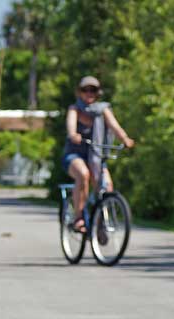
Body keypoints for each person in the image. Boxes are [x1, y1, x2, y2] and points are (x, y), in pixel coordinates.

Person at [62, 76, 135, 233]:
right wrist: (73, 134)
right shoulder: (75, 109)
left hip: (96, 156)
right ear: (79, 92)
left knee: (107, 186)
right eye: (85, 90)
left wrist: (125, 139)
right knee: (83, 174)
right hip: (75, 155)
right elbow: (71, 125)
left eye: (93, 90)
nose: (89, 93)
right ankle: (79, 218)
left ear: (98, 93)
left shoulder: (103, 110)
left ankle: (101, 221)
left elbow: (115, 127)